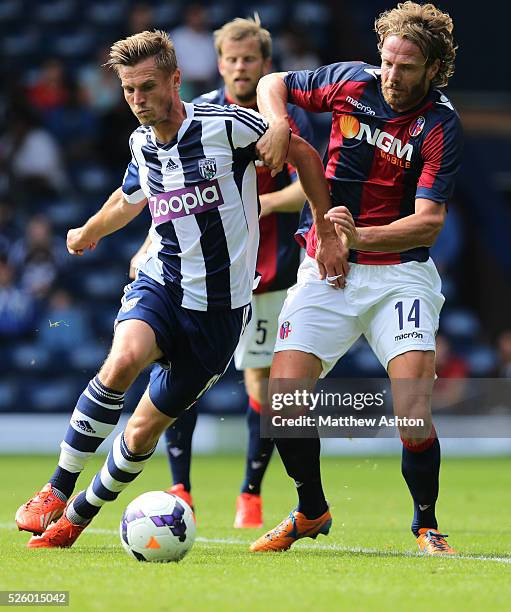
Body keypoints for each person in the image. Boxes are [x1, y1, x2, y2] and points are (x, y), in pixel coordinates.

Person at [14, 29, 346, 549]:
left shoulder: (228, 126)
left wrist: (324, 228)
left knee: (142, 431)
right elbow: (129, 199)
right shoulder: (141, 143)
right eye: (128, 91)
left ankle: (77, 517)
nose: (138, 101)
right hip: (163, 283)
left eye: (147, 87)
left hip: (219, 314)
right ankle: (57, 488)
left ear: (176, 80)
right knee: (123, 360)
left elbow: (303, 155)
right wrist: (87, 232)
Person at [251, 1, 462, 555]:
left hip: (400, 276)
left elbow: (429, 222)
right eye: (387, 62)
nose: (391, 75)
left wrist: (356, 238)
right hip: (327, 271)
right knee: (285, 402)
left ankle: (426, 525)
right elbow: (274, 80)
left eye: (407, 67)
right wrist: (278, 122)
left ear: (434, 68)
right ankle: (311, 511)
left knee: (411, 410)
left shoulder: (439, 124)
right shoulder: (349, 81)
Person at [136, 15, 312, 529]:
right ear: (219, 64)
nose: (240, 68)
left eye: (249, 60)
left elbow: (314, 180)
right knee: (174, 373)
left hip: (267, 274)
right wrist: (150, 240)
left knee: (264, 387)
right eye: (232, 60)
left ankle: (250, 494)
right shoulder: (197, 116)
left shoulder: (280, 118)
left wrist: (265, 202)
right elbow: (164, 193)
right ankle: (180, 487)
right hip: (194, 275)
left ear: (265, 65)